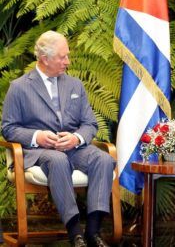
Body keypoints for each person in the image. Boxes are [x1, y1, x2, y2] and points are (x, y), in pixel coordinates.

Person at [1, 31, 116, 247]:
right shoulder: (19, 87)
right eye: (62, 57)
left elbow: (90, 124)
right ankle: (75, 233)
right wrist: (38, 137)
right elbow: (8, 128)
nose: (68, 62)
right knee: (58, 160)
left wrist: (76, 138)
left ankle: (93, 232)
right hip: (41, 152)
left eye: (67, 56)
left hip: (76, 148)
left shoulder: (74, 85)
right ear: (45, 58)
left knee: (105, 159)